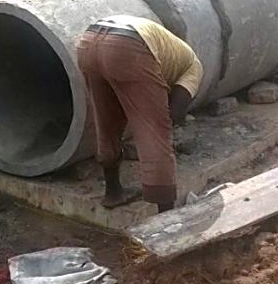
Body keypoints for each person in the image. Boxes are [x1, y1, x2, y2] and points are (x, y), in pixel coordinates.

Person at [77, 15, 202, 213]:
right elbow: (174, 113)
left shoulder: (172, 52)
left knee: (106, 121)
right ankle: (166, 213)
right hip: (129, 47)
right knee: (156, 131)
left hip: (89, 40)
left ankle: (113, 193)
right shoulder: (193, 67)